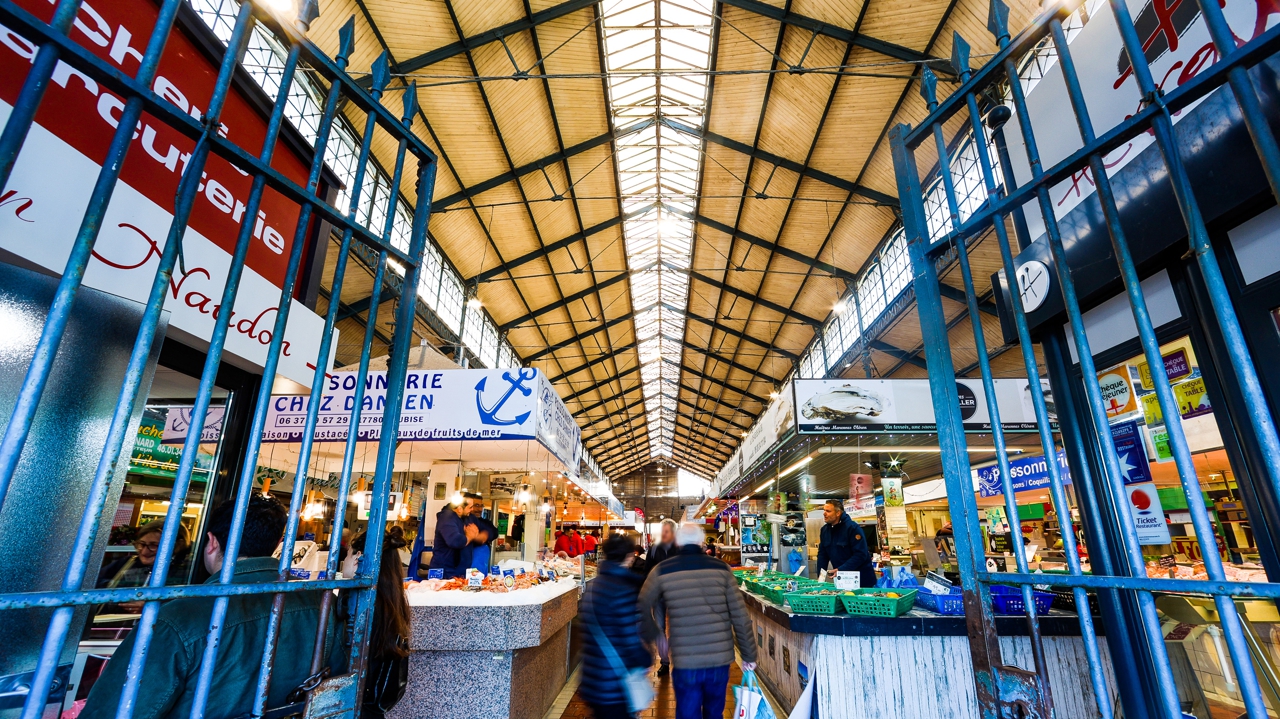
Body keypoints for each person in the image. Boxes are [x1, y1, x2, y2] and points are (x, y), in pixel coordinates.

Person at [81, 494, 344, 719]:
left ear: (211, 542)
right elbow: (337, 691)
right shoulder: (322, 604)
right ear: (277, 545)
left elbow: (116, 709)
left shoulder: (177, 619)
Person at [639, 522, 756, 719]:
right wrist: (749, 655)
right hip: (719, 659)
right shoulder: (723, 569)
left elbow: (642, 604)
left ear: (678, 542)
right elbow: (740, 616)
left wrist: (657, 636)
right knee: (714, 712)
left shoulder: (662, 570)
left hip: (686, 659)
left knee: (687, 712)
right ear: (701, 542)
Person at [579, 534, 652, 719]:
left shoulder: (592, 587)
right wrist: (646, 659)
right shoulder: (623, 590)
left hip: (593, 680)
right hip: (616, 685)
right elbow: (630, 639)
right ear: (630, 556)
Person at [350, 530, 411, 718]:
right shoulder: (393, 601)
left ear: (358, 558)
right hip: (374, 708)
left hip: (351, 704)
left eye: (347, 554)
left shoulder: (356, 602)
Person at [97, 520, 192, 610]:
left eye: (154, 545)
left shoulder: (189, 570)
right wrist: (119, 589)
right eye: (141, 544)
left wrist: (154, 606)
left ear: (177, 546)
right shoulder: (128, 562)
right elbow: (93, 582)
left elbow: (188, 604)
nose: (144, 551)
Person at [643, 517, 679, 675]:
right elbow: (647, 572)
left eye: (667, 531)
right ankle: (664, 661)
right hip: (658, 596)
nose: (663, 534)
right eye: (662, 531)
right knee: (660, 628)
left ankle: (679, 661)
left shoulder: (681, 549)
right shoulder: (654, 549)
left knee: (678, 628)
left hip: (676, 595)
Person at [817, 499, 876, 588]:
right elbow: (823, 555)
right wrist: (820, 579)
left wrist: (841, 569)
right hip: (842, 580)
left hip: (861, 581)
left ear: (838, 513)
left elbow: (860, 554)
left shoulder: (853, 528)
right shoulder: (825, 530)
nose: (824, 513)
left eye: (828, 511)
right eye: (824, 510)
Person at [428, 493, 486, 579]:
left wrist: (476, 536)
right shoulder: (447, 518)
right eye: (470, 507)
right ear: (459, 509)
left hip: (458, 572)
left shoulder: (462, 519)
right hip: (446, 572)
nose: (472, 510)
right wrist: (470, 536)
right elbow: (455, 541)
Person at [465, 500, 498, 571]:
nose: (480, 509)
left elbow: (494, 532)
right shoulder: (453, 519)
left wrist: (483, 536)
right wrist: (473, 537)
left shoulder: (483, 522)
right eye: (476, 505)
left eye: (481, 506)